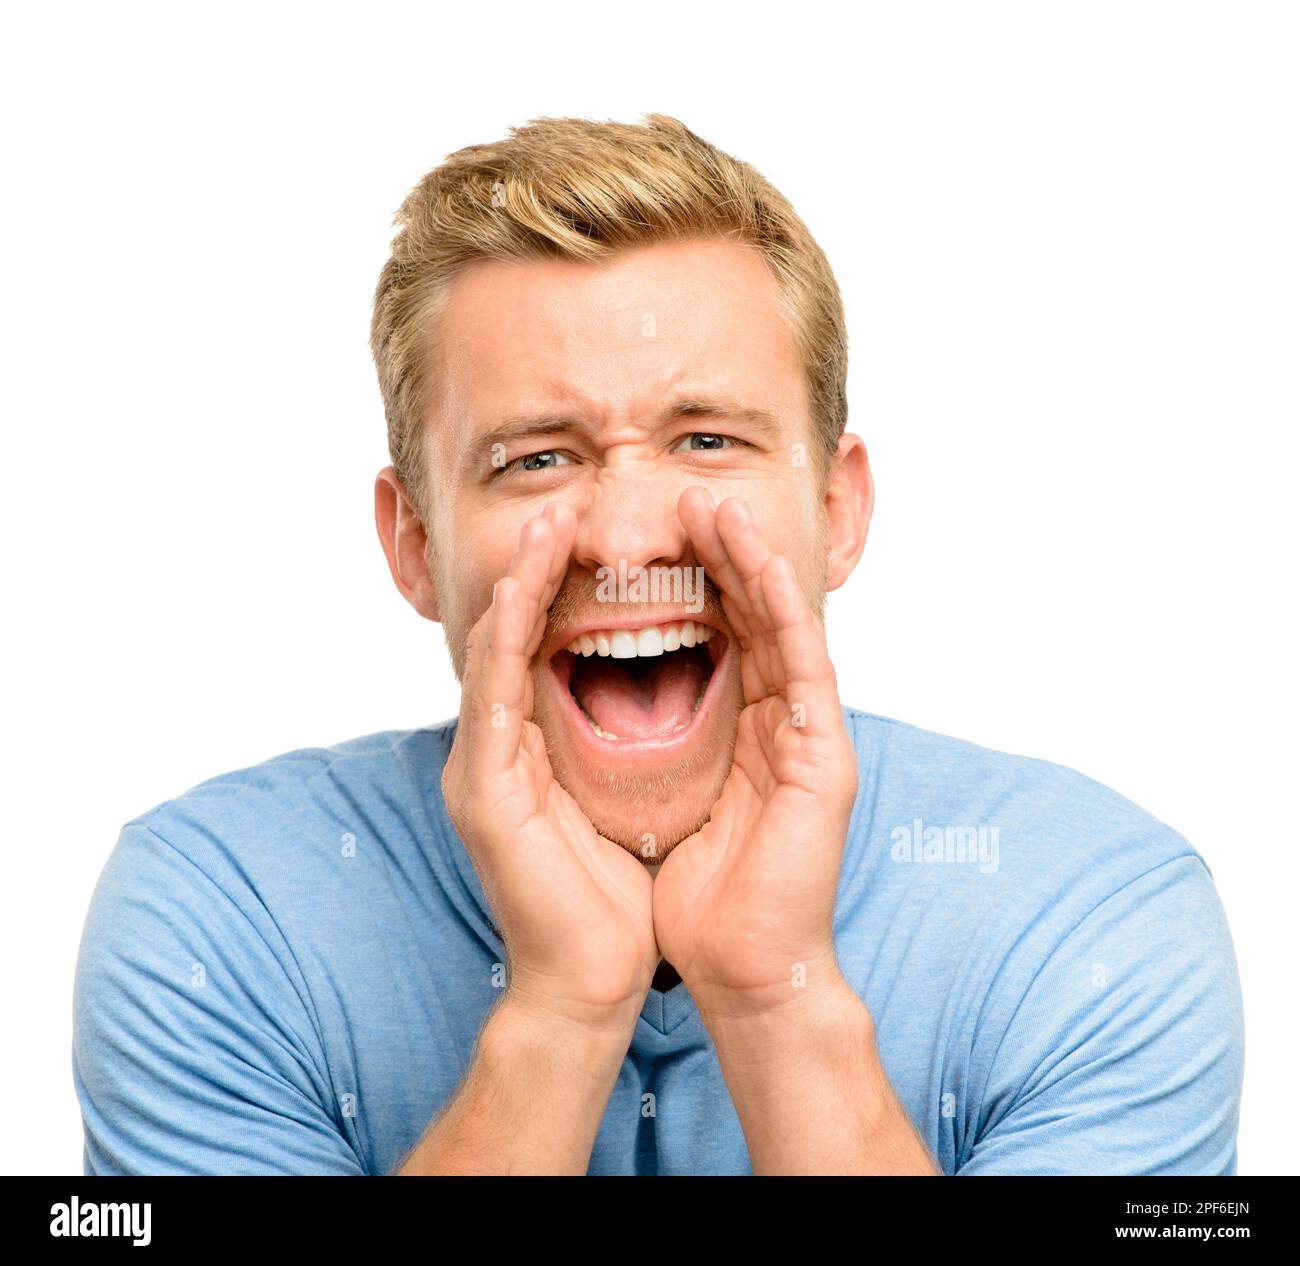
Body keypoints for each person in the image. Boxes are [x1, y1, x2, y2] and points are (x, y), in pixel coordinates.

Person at [72, 114, 1244, 1175]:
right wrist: (561, 1014)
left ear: (836, 513)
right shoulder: (221, 918)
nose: (627, 540)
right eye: (536, 458)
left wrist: (772, 1002)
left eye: (709, 441)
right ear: (416, 545)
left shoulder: (1095, 918)